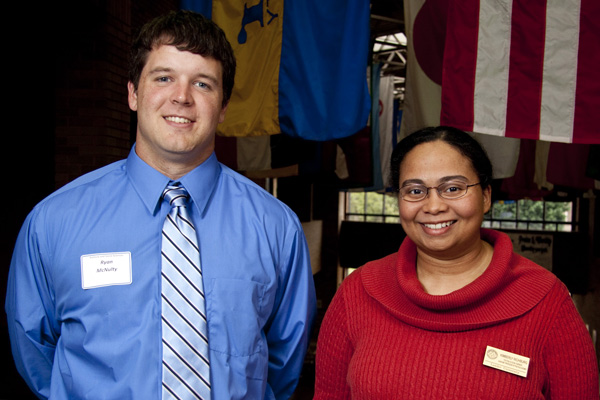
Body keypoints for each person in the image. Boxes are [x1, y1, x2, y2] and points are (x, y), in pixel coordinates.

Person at [6, 10, 316, 400]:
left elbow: (283, 363)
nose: (181, 97)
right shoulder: (54, 221)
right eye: (164, 78)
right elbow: (36, 354)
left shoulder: (276, 227)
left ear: (223, 107)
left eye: (202, 84)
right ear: (133, 94)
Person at [314, 126, 598, 399]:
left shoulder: (546, 301)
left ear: (486, 196)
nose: (434, 206)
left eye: (452, 188)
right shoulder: (358, 292)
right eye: (415, 191)